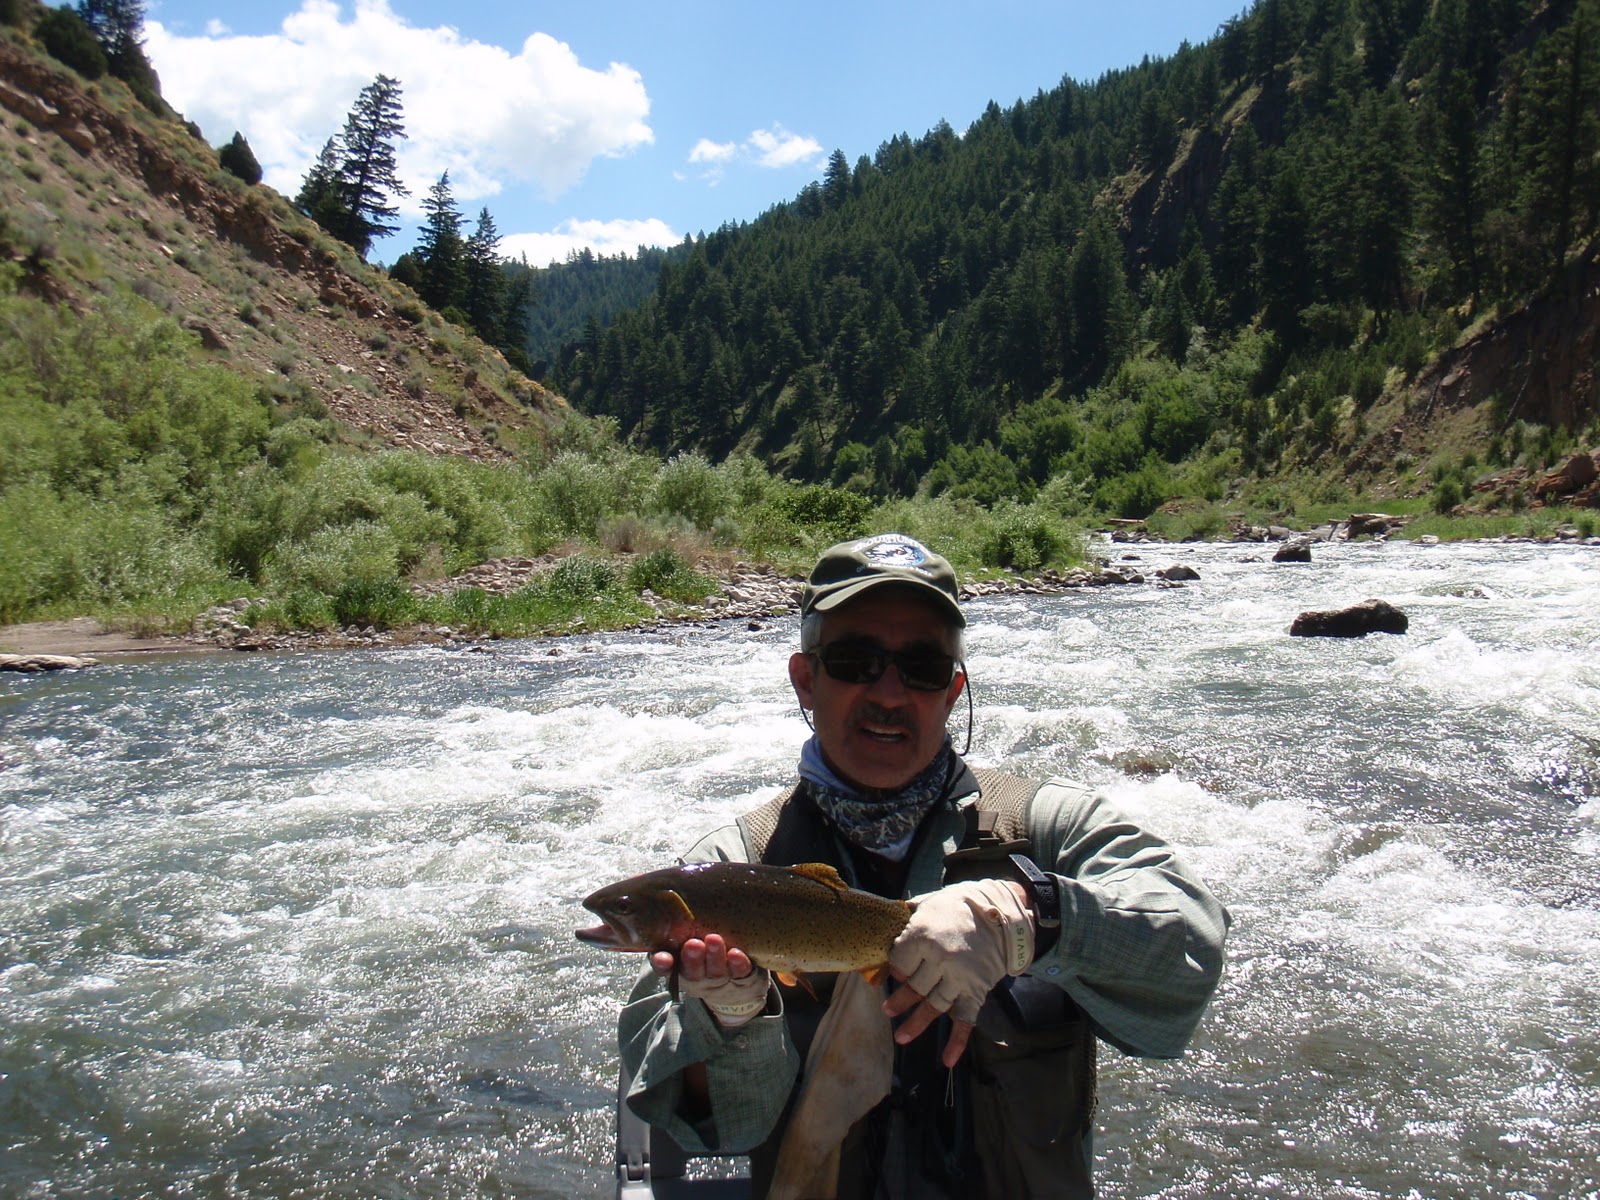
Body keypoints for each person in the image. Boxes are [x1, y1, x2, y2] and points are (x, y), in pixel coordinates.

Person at [618, 533, 1229, 1199]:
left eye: (922, 667)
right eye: (856, 660)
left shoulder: (1051, 828)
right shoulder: (727, 872)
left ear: (952, 690)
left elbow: (1191, 952)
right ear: (806, 680)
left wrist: (1030, 920)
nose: (889, 691)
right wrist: (730, 1014)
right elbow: (709, 1126)